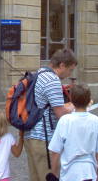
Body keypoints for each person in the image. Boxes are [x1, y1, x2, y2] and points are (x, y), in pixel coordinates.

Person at [24, 49, 76, 181]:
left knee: (35, 177)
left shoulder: (40, 72)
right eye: (70, 70)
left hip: (31, 135)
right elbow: (60, 114)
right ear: (62, 65)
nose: (70, 74)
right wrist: (75, 107)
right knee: (48, 177)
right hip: (44, 138)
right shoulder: (53, 80)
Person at [48, 85, 98, 181]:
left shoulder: (65, 120)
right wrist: (96, 174)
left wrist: (54, 174)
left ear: (71, 99)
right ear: (89, 100)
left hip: (69, 174)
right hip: (89, 172)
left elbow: (55, 151)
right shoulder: (96, 121)